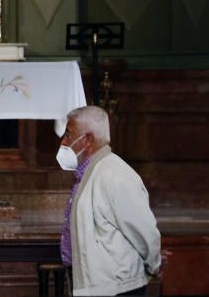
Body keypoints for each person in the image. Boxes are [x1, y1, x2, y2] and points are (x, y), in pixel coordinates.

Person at [58, 105, 161, 296]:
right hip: (98, 286)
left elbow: (143, 230)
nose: (63, 141)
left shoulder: (116, 174)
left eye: (69, 134)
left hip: (117, 288)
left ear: (87, 140)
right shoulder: (90, 173)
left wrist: (155, 264)